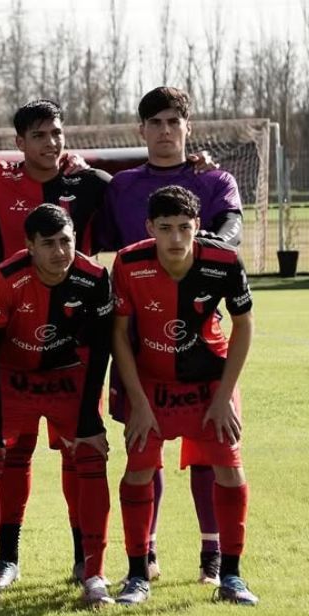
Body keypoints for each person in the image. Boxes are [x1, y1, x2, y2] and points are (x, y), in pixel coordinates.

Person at [101, 86, 245, 587]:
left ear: (188, 127)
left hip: (196, 338)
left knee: (211, 447)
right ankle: (147, 552)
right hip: (136, 338)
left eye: (173, 122)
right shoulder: (120, 186)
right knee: (144, 444)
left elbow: (229, 233)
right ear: (141, 130)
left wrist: (192, 259)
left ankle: (213, 554)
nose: (165, 132)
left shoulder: (213, 179)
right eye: (155, 123)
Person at [110, 185, 257, 607]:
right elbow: (119, 334)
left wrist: (224, 396)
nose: (176, 238)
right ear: (149, 228)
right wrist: (137, 402)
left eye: (185, 228)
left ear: (198, 227)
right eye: (166, 228)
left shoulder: (224, 261)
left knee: (229, 469)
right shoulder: (129, 262)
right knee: (138, 470)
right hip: (151, 385)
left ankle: (231, 575)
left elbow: (244, 326)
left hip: (210, 382)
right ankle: (137, 575)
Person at [0, 203, 115, 611]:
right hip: (10, 375)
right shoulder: (6, 278)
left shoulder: (95, 277)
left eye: (65, 241)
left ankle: (94, 572)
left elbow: (101, 350)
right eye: (47, 243)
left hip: (68, 376)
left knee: (90, 454)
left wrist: (89, 417)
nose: (59, 251)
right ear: (29, 246)